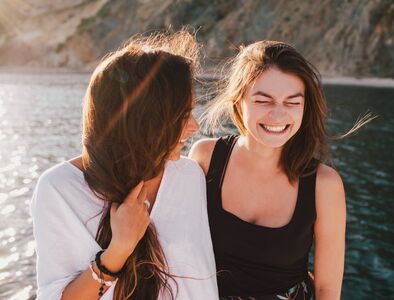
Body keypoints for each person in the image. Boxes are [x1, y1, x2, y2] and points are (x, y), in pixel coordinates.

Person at [31, 30, 218, 300]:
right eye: (183, 115)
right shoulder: (60, 189)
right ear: (145, 120)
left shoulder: (190, 176)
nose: (195, 126)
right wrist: (119, 249)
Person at [190, 41, 370, 300]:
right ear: (239, 101)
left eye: (292, 102)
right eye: (263, 100)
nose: (278, 115)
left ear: (305, 107)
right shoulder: (205, 157)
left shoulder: (324, 184)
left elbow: (327, 290)